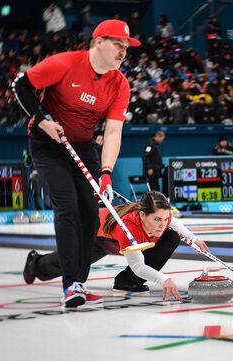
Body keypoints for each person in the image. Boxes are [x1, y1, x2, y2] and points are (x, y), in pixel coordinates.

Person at [12, 19, 141, 308]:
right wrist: (42, 121)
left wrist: (106, 172)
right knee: (67, 206)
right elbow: (20, 85)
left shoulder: (119, 84)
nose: (123, 52)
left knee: (89, 215)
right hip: (48, 144)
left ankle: (78, 281)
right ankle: (71, 285)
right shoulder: (65, 63)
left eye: (126, 47)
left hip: (83, 147)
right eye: (118, 45)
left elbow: (113, 131)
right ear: (99, 42)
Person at [22, 191, 209, 301]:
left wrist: (195, 239)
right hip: (100, 237)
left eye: (165, 218)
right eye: (157, 219)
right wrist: (164, 279)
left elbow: (173, 222)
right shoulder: (128, 228)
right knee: (72, 264)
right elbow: (138, 265)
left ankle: (128, 282)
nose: (163, 223)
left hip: (121, 238)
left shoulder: (159, 218)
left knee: (172, 236)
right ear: (143, 216)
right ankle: (36, 263)